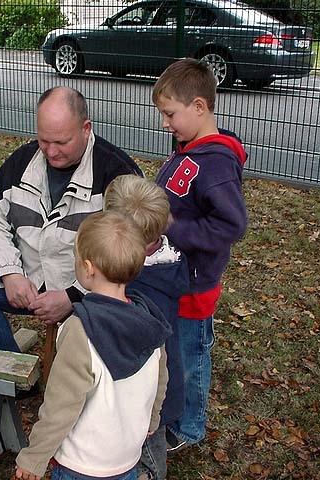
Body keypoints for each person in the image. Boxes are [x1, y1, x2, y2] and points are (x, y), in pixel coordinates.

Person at [0, 86, 142, 352]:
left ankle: (85, 379)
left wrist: (74, 297)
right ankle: (8, 372)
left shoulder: (118, 174)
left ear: (86, 128)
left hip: (89, 291)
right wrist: (9, 273)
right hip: (28, 276)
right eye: (43, 140)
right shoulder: (21, 162)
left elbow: (132, 257)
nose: (51, 152)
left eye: (61, 142)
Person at [15, 211, 172, 480]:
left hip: (81, 464)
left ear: (88, 268)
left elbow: (60, 405)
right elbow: (160, 379)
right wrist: (153, 419)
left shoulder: (80, 330)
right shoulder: (149, 319)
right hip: (125, 460)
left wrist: (34, 458)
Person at [152, 58, 248, 454]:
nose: (165, 123)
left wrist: (173, 226)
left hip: (195, 284)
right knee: (174, 352)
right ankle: (172, 414)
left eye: (170, 113)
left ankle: (190, 426)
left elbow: (231, 226)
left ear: (199, 107)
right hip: (174, 279)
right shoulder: (188, 150)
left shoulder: (216, 163)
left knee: (190, 358)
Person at [103, 175, 190, 480]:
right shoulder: (169, 261)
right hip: (154, 386)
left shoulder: (141, 287)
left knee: (149, 449)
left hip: (148, 392)